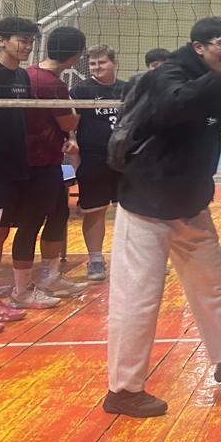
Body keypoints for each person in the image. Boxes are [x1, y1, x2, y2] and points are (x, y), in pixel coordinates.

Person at [103, 17, 221, 418]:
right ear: (198, 47)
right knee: (138, 297)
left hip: (191, 203)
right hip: (147, 203)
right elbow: (178, 103)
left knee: (212, 286)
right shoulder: (169, 73)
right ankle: (123, 389)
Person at [17, 26, 87, 305]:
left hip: (50, 160)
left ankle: (50, 276)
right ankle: (22, 291)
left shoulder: (30, 73)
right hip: (38, 163)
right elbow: (69, 122)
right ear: (75, 56)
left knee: (59, 214)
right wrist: (77, 110)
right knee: (31, 223)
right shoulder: (51, 83)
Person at [0, 16, 40, 324]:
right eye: (22, 40)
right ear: (1, 40)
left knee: (0, 233)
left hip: (15, 167)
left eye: (30, 41)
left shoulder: (22, 76)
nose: (27, 46)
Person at [71, 44, 127, 282]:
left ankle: (134, 259)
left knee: (132, 211)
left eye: (101, 62)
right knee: (95, 211)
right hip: (94, 158)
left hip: (125, 159)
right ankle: (95, 260)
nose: (96, 67)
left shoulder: (127, 89)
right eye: (92, 63)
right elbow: (71, 124)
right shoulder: (81, 90)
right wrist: (72, 142)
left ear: (114, 62)